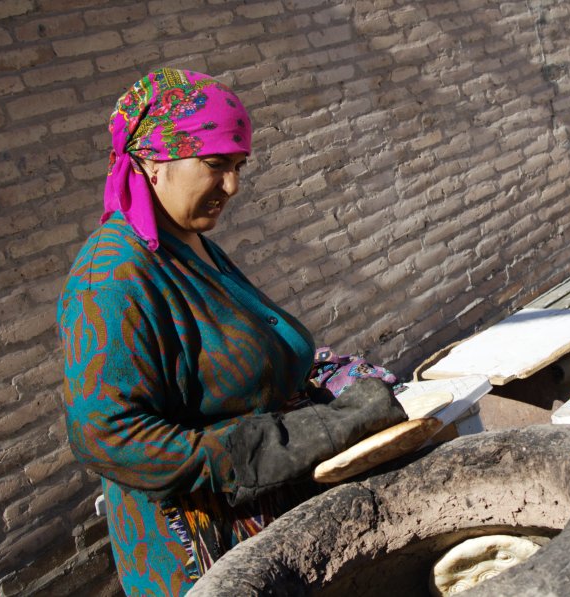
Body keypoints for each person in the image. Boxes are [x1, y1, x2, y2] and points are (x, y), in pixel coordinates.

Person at [57, 68, 407, 595]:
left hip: (272, 521)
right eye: (215, 164)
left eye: (239, 165)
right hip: (206, 551)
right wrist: (280, 442)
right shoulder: (111, 276)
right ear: (153, 161)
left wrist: (343, 380)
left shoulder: (188, 243)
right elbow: (108, 438)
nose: (232, 186)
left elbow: (245, 342)